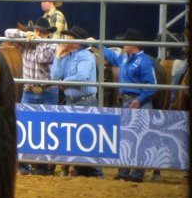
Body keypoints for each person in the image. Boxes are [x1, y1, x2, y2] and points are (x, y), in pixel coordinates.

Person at [4, 17, 59, 176]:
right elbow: (8, 33)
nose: (38, 33)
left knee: (47, 129)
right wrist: (24, 34)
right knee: (24, 128)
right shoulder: (26, 42)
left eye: (42, 32)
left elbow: (43, 58)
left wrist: (38, 41)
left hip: (47, 92)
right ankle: (23, 165)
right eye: (36, 30)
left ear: (48, 34)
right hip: (29, 92)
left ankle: (42, 167)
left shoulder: (52, 45)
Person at [103, 28, 158, 183]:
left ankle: (136, 174)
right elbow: (112, 56)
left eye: (126, 41)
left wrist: (139, 100)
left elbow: (152, 85)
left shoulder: (145, 61)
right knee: (125, 137)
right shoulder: (124, 58)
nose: (123, 44)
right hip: (127, 101)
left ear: (134, 44)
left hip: (139, 103)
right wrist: (98, 45)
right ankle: (124, 172)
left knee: (139, 138)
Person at [50, 24, 104, 178]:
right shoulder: (67, 56)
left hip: (84, 101)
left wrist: (64, 82)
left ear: (76, 42)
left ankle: (96, 173)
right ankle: (81, 170)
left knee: (87, 138)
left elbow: (82, 76)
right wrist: (58, 55)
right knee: (75, 138)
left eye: (69, 36)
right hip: (72, 101)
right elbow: (54, 77)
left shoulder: (85, 55)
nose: (65, 39)